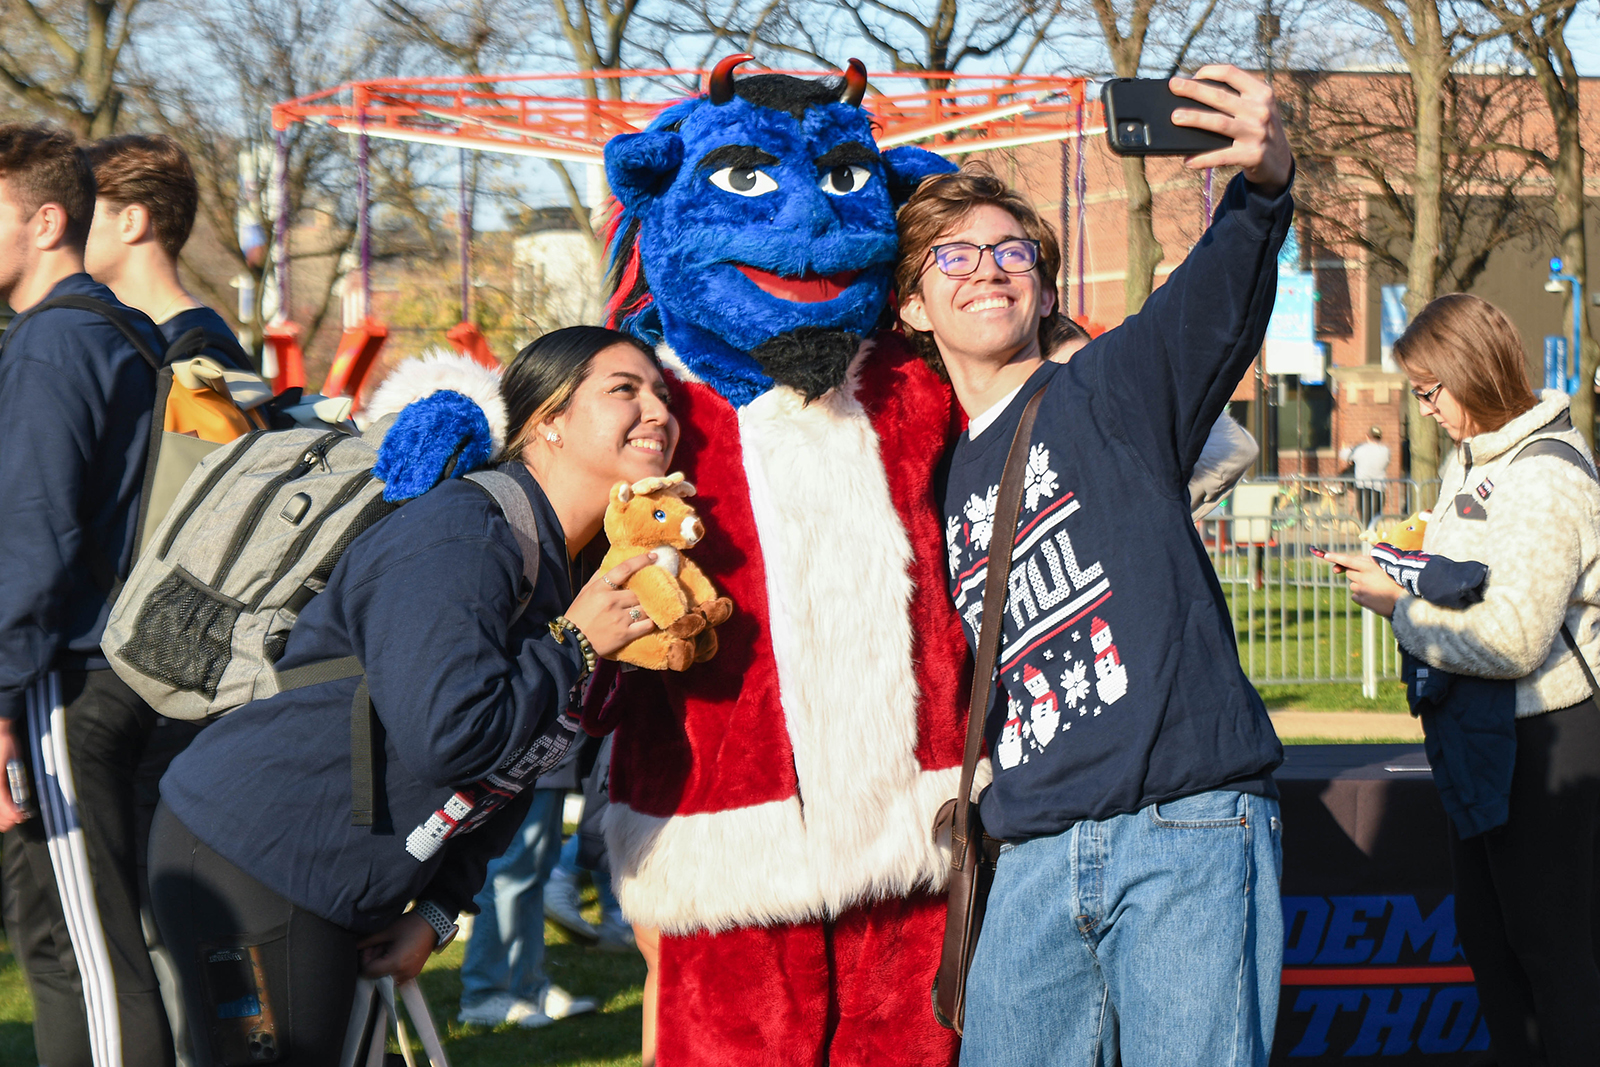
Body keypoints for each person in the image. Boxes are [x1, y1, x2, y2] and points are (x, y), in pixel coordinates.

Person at [896, 65, 1293, 1065]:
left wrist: (1265, 179)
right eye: (953, 254)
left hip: (1183, 831)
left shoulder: (1110, 388)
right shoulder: (929, 477)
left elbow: (1221, 288)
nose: (987, 268)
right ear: (909, 308)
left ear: (1042, 277)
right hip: (1025, 854)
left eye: (1011, 249)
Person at [147, 325, 676, 1065]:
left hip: (344, 884)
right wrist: (574, 645)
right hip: (253, 855)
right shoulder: (467, 530)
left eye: (662, 392)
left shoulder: (569, 571)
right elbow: (452, 734)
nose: (658, 409)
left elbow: (515, 767)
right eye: (625, 389)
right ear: (547, 420)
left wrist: (435, 910)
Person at [1327, 294, 1600, 1067]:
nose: (1424, 408)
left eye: (1428, 389)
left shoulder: (1544, 476)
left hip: (1545, 739)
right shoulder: (1477, 459)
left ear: (1471, 372)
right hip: (1483, 736)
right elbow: (1470, 579)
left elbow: (1513, 639)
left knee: (1551, 958)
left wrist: (1397, 604)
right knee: (1495, 947)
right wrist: (1404, 562)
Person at [0, 121, 178, 1067]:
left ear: (44, 220)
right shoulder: (123, 332)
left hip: (67, 679)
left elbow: (35, 536)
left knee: (88, 956)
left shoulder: (50, 345)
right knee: (77, 942)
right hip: (133, 668)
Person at [1049, 317, 1259, 521]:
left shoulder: (1125, 478)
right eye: (1066, 382)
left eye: (1089, 373)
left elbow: (1234, 451)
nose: (1086, 394)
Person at [83, 133, 250, 369]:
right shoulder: (155, 338)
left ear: (131, 222)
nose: (72, 227)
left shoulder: (199, 355)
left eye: (85, 213)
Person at [1340, 424, 1390, 527]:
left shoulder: (1360, 449)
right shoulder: (1386, 451)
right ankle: (1372, 537)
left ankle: (1366, 539)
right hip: (1379, 487)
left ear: (1367, 436)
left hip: (1363, 487)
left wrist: (1351, 447)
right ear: (1380, 437)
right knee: (1375, 518)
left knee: (1364, 517)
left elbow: (1343, 455)